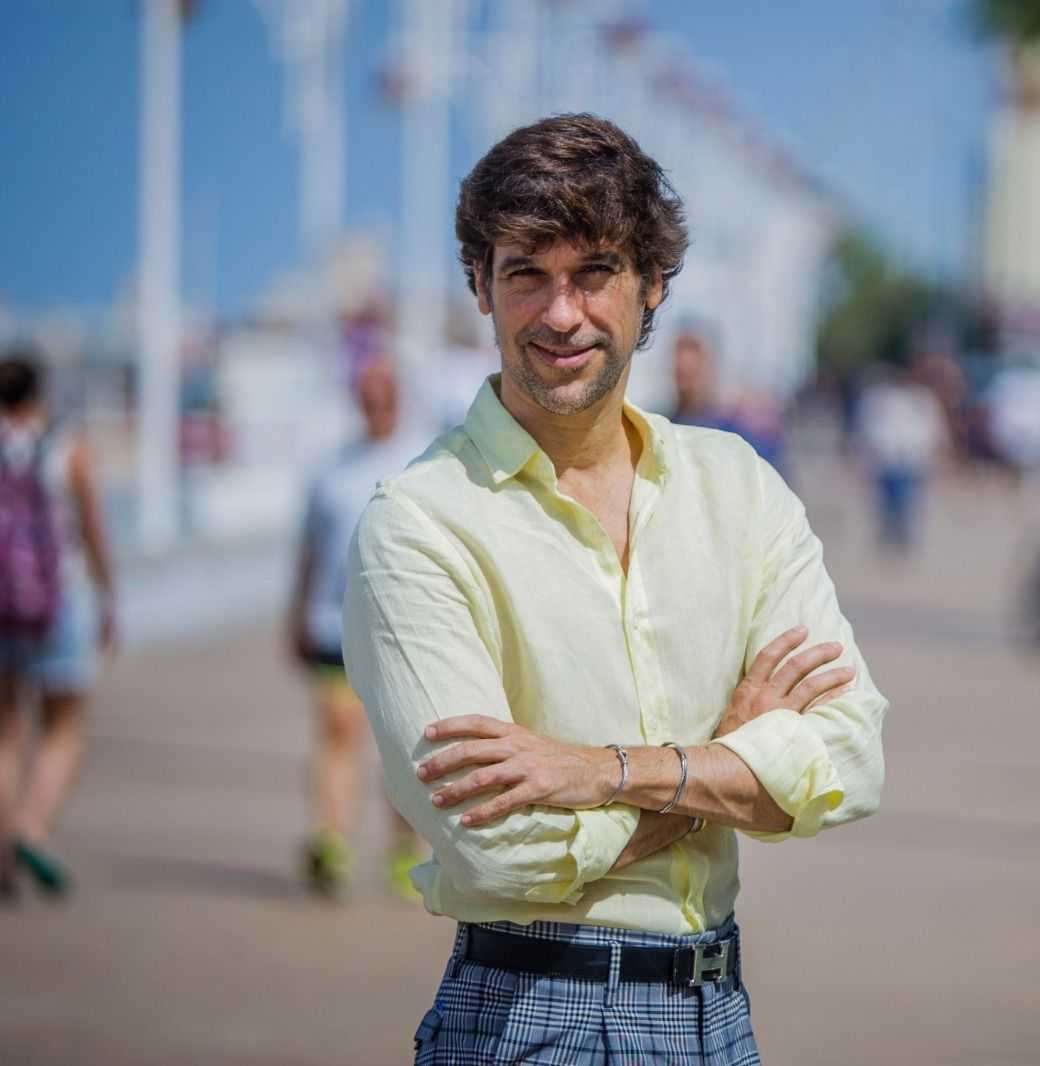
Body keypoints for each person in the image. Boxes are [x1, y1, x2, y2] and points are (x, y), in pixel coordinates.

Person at [344, 115, 887, 1064]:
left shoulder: (739, 489)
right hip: (528, 1014)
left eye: (594, 271)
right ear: (480, 287)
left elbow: (851, 756)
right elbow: (496, 851)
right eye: (526, 274)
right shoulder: (419, 525)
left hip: (720, 1018)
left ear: (653, 287)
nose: (562, 314)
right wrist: (725, 760)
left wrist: (600, 771)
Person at [288, 355, 429, 899]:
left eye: (383, 390)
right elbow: (307, 548)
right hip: (332, 622)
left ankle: (402, 852)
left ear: (397, 394)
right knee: (338, 730)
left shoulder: (425, 457)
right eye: (365, 391)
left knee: (403, 743)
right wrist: (295, 611)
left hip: (405, 625)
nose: (374, 401)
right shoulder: (331, 468)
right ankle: (331, 843)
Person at [0, 349, 117, 899]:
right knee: (64, 727)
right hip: (59, 603)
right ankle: (32, 828)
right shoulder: (64, 447)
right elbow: (92, 528)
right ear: (38, 393)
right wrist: (109, 596)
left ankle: (3, 854)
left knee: (5, 734)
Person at [855, 361, 948, 551]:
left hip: (913, 458)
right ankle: (891, 536)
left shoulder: (922, 399)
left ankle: (904, 538)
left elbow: (933, 429)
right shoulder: (880, 398)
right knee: (887, 501)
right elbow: (870, 428)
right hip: (888, 458)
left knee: (910, 501)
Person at [669, 326, 786, 474]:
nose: (687, 383)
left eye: (692, 373)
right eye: (682, 374)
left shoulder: (736, 436)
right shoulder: (663, 428)